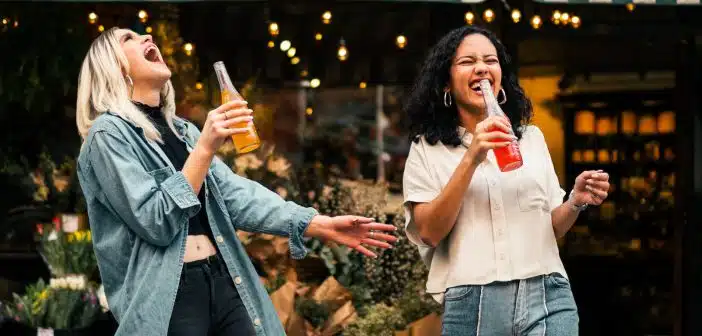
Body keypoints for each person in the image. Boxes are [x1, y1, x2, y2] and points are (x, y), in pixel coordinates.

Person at [75, 27, 398, 336]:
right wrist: (205, 148)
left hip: (224, 274)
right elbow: (154, 220)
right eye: (129, 38)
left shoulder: (182, 131)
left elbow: (236, 196)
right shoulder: (108, 135)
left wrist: (316, 224)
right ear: (112, 67)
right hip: (169, 293)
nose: (146, 36)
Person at [402, 26, 610, 335]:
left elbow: (552, 227)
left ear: (500, 79)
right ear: (446, 83)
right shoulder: (427, 149)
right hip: (474, 301)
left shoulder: (531, 139)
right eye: (467, 61)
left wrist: (575, 202)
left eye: (490, 60)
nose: (482, 68)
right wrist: (471, 157)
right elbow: (429, 232)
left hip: (548, 292)